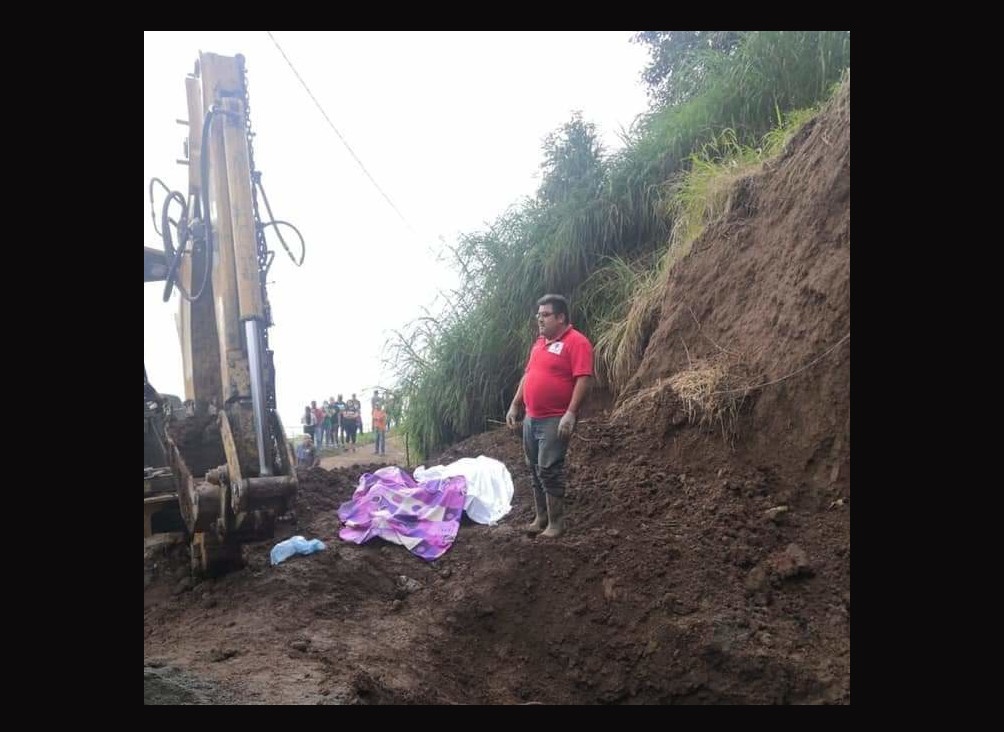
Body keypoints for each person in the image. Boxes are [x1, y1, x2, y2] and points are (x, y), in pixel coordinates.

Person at [506, 294, 593, 538]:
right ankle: (540, 517)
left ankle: (556, 523)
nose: (540, 320)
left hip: (555, 419)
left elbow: (583, 379)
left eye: (545, 315)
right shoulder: (539, 344)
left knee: (549, 469)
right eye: (538, 315)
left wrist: (571, 413)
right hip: (531, 418)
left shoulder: (577, 342)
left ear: (561, 317)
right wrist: (515, 405)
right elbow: (527, 376)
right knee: (534, 468)